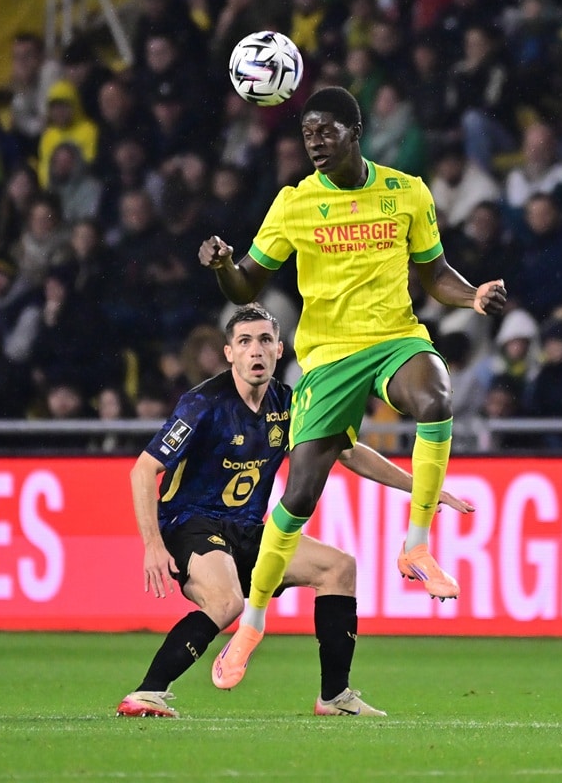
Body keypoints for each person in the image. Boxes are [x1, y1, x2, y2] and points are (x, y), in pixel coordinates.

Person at [197, 86, 508, 690]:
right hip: (327, 357)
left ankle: (416, 545)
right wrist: (221, 266)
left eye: (326, 132)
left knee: (436, 395)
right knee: (300, 497)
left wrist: (470, 295)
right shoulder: (294, 204)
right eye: (307, 133)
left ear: (355, 132)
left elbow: (435, 272)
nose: (314, 142)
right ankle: (253, 622)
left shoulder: (406, 192)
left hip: (395, 338)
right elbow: (246, 289)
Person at [116, 304, 474, 719]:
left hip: (250, 530)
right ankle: (147, 693)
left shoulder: (289, 404)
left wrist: (423, 486)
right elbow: (144, 469)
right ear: (229, 352)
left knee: (339, 568)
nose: (256, 351)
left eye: (265, 340)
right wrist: (153, 545)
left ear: (280, 349)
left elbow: (347, 452)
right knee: (227, 601)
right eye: (245, 342)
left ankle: (334, 696)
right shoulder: (203, 403)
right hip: (192, 525)